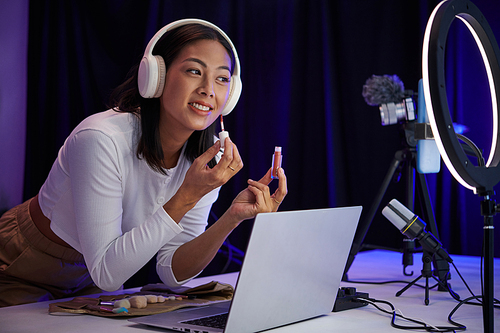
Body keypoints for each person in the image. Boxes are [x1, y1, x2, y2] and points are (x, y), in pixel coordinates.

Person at [0, 19, 287, 307]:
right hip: (23, 263)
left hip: (91, 276)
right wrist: (187, 195)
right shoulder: (101, 138)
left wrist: (231, 218)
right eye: (194, 71)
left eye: (222, 78)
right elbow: (107, 274)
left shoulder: (207, 158)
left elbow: (172, 270)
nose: (208, 90)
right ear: (156, 77)